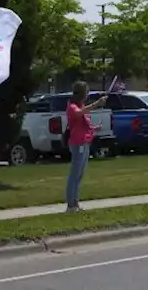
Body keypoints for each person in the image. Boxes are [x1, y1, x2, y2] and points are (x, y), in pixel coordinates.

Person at [65, 82, 106, 212]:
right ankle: (71, 205)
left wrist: (94, 129)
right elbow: (78, 114)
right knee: (74, 174)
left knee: (80, 175)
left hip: (85, 143)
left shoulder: (82, 106)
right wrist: (97, 104)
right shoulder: (72, 107)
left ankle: (75, 203)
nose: (87, 95)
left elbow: (84, 125)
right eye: (86, 92)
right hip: (77, 144)